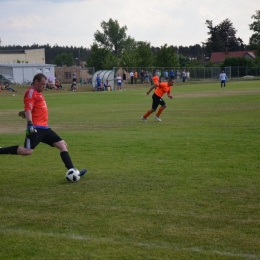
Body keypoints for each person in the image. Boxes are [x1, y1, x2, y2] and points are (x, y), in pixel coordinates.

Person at [0, 73, 87, 179]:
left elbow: (33, 109)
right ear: (36, 82)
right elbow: (28, 108)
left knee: (63, 145)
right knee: (27, 151)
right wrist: (30, 123)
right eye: (43, 84)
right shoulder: (31, 92)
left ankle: (72, 171)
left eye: (45, 84)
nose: (44, 86)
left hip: (45, 128)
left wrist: (29, 114)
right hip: (35, 129)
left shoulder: (38, 92)